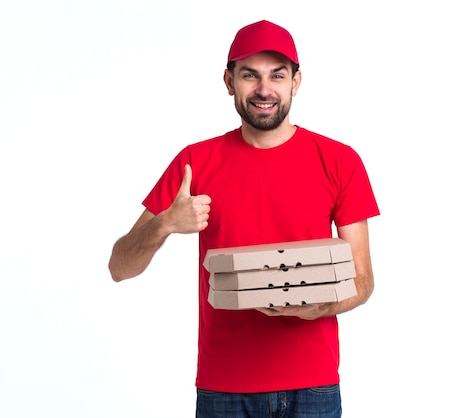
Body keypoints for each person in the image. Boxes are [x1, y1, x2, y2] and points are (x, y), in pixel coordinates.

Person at [108, 19, 380, 418]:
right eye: (250, 75)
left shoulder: (339, 161)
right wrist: (165, 222)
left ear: (296, 82)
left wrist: (312, 308)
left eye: (277, 75)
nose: (264, 89)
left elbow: (362, 279)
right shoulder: (194, 163)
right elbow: (119, 267)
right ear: (228, 81)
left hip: (313, 387)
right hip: (224, 390)